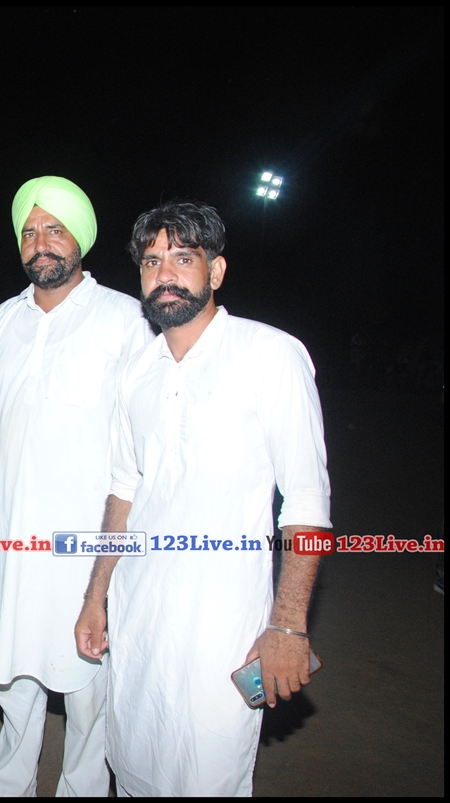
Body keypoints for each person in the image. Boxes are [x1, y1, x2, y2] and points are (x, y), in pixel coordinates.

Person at [73, 202, 331, 796]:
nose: (164, 274)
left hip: (223, 622)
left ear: (215, 271)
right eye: (151, 262)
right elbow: (124, 491)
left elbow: (306, 503)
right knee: (133, 766)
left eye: (182, 258)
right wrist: (95, 597)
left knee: (208, 772)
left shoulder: (270, 355)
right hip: (139, 616)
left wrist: (288, 627)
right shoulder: (136, 370)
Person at [0, 177, 152, 796]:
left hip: (84, 542)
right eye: (29, 232)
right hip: (7, 535)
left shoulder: (126, 319)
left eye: (54, 230)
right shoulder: (2, 319)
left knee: (90, 691)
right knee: (12, 681)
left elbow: (140, 445)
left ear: (81, 239)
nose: (40, 243)